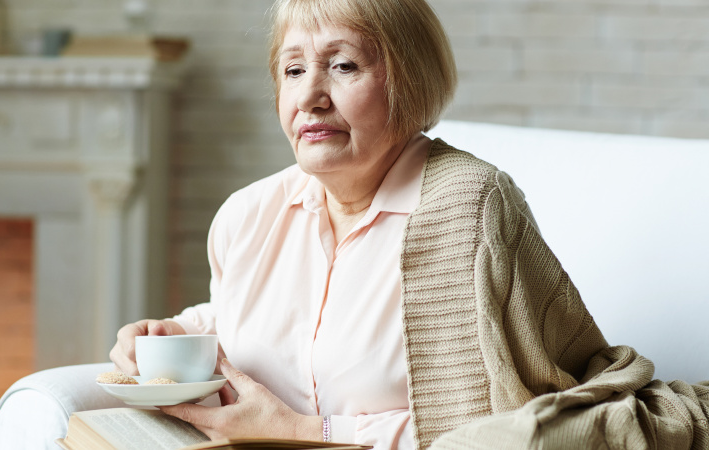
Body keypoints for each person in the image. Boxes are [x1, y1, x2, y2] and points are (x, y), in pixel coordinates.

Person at [111, 0, 709, 448]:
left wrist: (301, 430)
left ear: (408, 81)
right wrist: (170, 335)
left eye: (342, 66)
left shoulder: (469, 206)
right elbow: (254, 321)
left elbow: (497, 427)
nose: (311, 96)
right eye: (292, 70)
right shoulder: (248, 214)